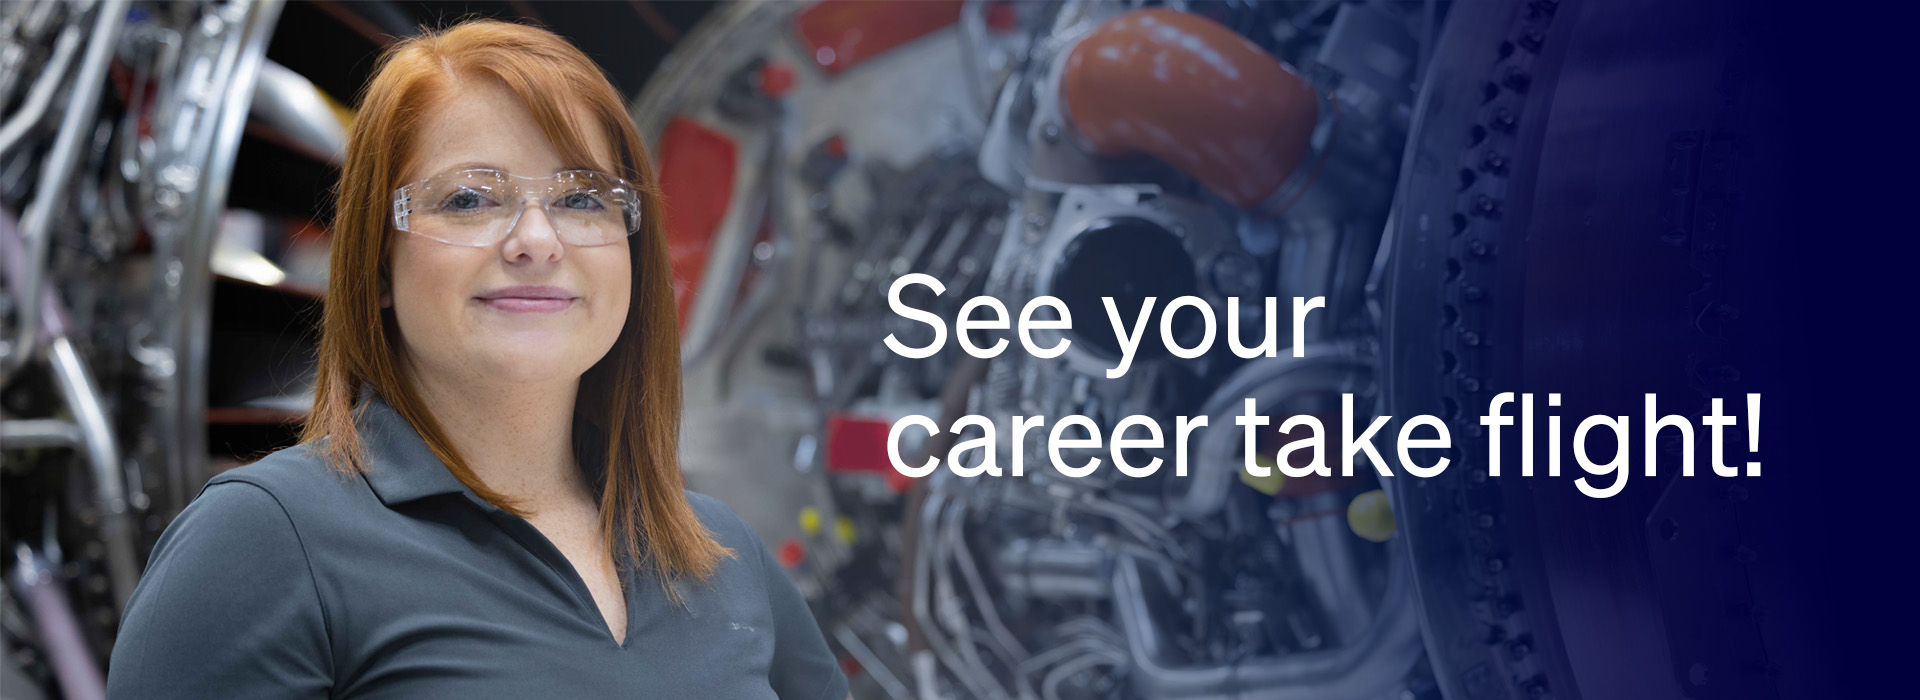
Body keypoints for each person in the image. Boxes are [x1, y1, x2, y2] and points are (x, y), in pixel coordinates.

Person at [105, 19, 850, 700]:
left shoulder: (721, 555)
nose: (536, 239)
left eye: (583, 198)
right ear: (376, 263)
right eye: (469, 200)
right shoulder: (264, 544)